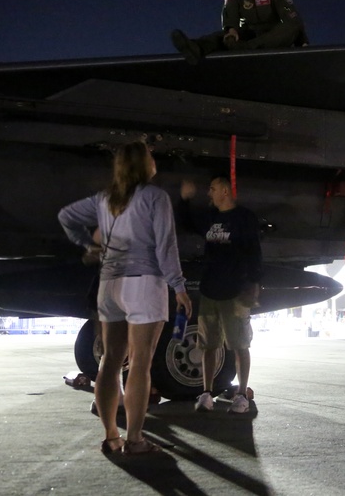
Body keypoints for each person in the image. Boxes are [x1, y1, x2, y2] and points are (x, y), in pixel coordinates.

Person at [58, 141, 193, 456]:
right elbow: (165, 246)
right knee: (141, 363)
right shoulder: (155, 197)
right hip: (144, 284)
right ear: (145, 164)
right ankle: (135, 440)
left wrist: (87, 245)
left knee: (110, 362)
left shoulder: (105, 199)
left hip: (109, 284)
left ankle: (110, 436)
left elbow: (66, 216)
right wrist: (179, 286)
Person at [177, 176, 263, 415]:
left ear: (225, 191)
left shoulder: (244, 218)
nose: (209, 193)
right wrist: (184, 199)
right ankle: (206, 393)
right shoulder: (210, 217)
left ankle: (242, 394)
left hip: (235, 291)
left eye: (212, 189)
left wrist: (254, 283)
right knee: (207, 345)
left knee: (239, 345)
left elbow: (255, 251)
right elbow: (188, 222)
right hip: (210, 290)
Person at [171, 0, 308, 64]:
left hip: (272, 36)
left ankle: (247, 48)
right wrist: (231, 32)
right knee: (220, 36)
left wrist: (303, 43)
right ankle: (196, 48)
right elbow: (231, 18)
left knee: (292, 26)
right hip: (249, 33)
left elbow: (293, 20)